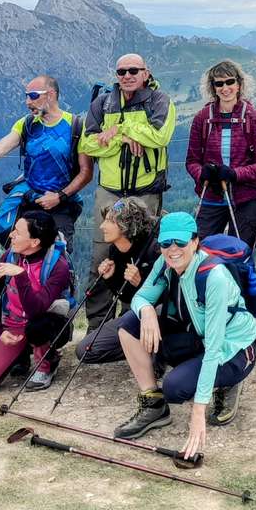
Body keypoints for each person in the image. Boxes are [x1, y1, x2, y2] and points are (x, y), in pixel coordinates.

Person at [113, 213, 256, 460]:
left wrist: (198, 413)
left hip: (232, 347)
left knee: (175, 387)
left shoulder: (214, 277)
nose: (173, 249)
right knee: (129, 325)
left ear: (195, 242)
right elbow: (141, 297)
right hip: (198, 336)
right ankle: (153, 404)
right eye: (166, 243)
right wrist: (147, 310)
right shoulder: (165, 263)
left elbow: (214, 348)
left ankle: (229, 381)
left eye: (180, 242)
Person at [79, 53, 177, 331]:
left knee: (142, 257)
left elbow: (159, 137)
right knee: (102, 256)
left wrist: (118, 130)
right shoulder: (102, 102)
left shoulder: (160, 101)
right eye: (121, 71)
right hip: (110, 191)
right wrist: (127, 139)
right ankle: (98, 326)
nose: (127, 76)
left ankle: (131, 320)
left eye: (134, 70)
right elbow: (88, 144)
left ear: (146, 72)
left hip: (145, 193)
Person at [0, 74, 94, 251]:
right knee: (20, 254)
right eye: (26, 96)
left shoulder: (76, 126)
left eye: (33, 95)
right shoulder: (26, 124)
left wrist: (59, 196)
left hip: (61, 205)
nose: (27, 102)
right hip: (29, 201)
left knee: (57, 258)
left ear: (51, 94)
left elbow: (86, 172)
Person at [0, 208, 74, 394]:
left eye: (17, 232)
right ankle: (21, 354)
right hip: (14, 325)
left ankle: (47, 363)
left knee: (36, 328)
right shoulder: (10, 256)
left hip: (46, 323)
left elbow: (37, 309)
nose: (11, 235)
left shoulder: (58, 266)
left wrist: (22, 276)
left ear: (34, 242)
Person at [186, 60, 256, 245]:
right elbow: (192, 160)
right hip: (211, 194)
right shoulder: (202, 118)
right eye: (219, 83)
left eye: (230, 82)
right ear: (213, 87)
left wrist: (234, 174)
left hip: (245, 198)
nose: (225, 88)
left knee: (239, 253)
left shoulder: (252, 117)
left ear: (239, 84)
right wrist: (203, 173)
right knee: (200, 250)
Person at [73, 197, 162, 364]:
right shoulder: (115, 250)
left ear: (124, 225)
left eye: (108, 221)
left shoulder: (153, 249)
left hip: (160, 315)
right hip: (137, 315)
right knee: (85, 351)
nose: (102, 226)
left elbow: (167, 297)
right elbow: (126, 297)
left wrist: (141, 284)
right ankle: (140, 347)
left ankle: (158, 349)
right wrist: (112, 278)